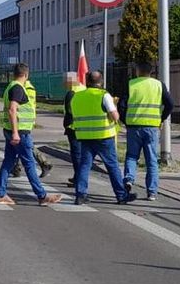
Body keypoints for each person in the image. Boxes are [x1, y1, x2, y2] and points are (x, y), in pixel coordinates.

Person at [0, 64, 62, 207]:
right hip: (20, 133)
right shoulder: (18, 88)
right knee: (29, 164)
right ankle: (42, 196)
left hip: (11, 130)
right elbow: (13, 110)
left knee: (8, 162)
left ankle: (1, 194)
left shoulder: (10, 86)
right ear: (26, 75)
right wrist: (15, 133)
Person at [72, 70, 137, 206]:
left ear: (87, 82)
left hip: (84, 136)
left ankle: (80, 195)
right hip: (103, 137)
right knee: (112, 166)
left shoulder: (77, 96)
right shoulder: (104, 95)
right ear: (101, 82)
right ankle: (121, 195)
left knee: (85, 165)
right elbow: (115, 116)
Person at [118, 61, 173, 201]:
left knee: (131, 156)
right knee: (152, 160)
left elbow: (121, 105)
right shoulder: (159, 85)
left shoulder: (131, 84)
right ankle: (152, 192)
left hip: (134, 127)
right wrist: (161, 118)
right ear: (151, 72)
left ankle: (129, 180)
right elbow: (170, 104)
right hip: (152, 127)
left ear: (137, 71)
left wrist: (126, 120)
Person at [61, 71, 86, 187]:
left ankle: (79, 179)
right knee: (81, 154)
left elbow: (70, 111)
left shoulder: (72, 93)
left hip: (74, 127)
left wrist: (66, 124)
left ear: (71, 80)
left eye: (65, 80)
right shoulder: (83, 88)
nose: (63, 83)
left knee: (77, 155)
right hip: (85, 127)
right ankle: (78, 177)